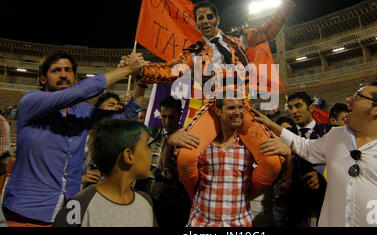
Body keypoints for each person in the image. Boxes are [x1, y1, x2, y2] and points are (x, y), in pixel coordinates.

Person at [134, 0, 295, 199]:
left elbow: (268, 31)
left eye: (209, 16)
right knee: (185, 159)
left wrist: (284, 5)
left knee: (273, 162)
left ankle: (241, 199)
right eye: (200, 18)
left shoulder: (240, 39)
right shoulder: (193, 51)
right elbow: (169, 71)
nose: (205, 20)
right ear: (196, 23)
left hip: (242, 107)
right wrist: (140, 70)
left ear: (217, 19)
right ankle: (197, 196)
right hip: (213, 108)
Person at [256, 81, 377, 226]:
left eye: (358, 96)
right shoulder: (335, 136)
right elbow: (305, 148)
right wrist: (271, 124)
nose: (349, 100)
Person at [2, 50, 147, 226]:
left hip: (68, 213)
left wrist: (141, 80)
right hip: (27, 212)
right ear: (42, 79)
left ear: (75, 78)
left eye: (68, 70)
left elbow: (125, 118)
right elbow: (78, 93)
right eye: (56, 70)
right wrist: (126, 70)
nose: (63, 75)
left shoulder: (82, 111)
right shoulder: (32, 101)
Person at [167, 97, 291, 227]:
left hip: (240, 224)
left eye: (240, 107)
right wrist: (169, 143)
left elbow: (281, 180)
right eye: (231, 108)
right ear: (218, 111)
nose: (237, 112)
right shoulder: (198, 143)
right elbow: (171, 172)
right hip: (201, 223)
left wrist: (287, 155)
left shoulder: (251, 145)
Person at [53, 119, 157, 227]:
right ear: (128, 155)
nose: (151, 153)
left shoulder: (145, 202)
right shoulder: (78, 206)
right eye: (146, 146)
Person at [135, 96, 191, 227]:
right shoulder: (149, 134)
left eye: (171, 117)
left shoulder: (187, 137)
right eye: (164, 116)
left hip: (174, 199)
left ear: (179, 115)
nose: (167, 121)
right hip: (146, 193)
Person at [279, 91, 332, 227]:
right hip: (296, 205)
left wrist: (322, 173)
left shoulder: (328, 132)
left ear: (311, 107)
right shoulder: (286, 136)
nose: (294, 111)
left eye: (298, 106)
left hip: (326, 201)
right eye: (290, 108)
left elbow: (342, 162)